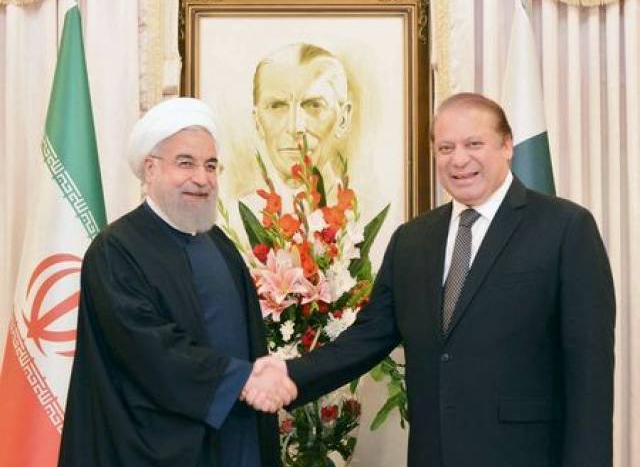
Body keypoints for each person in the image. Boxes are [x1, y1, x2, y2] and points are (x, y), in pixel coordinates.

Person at [246, 92, 616, 467]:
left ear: (507, 146)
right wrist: (289, 374)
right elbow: (367, 338)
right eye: (445, 147)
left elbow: (590, 371)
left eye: (474, 144)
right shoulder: (412, 240)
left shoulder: (565, 228)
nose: (459, 159)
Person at [58, 97, 296, 467]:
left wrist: (261, 377)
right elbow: (151, 351)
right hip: (156, 448)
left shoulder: (220, 245)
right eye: (185, 163)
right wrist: (242, 381)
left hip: (236, 437)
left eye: (210, 165)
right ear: (150, 169)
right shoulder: (115, 250)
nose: (201, 178)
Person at [252, 42, 353, 186]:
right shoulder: (236, 207)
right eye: (277, 106)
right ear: (257, 122)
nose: (295, 128)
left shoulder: (361, 207)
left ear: (343, 119)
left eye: (314, 105)